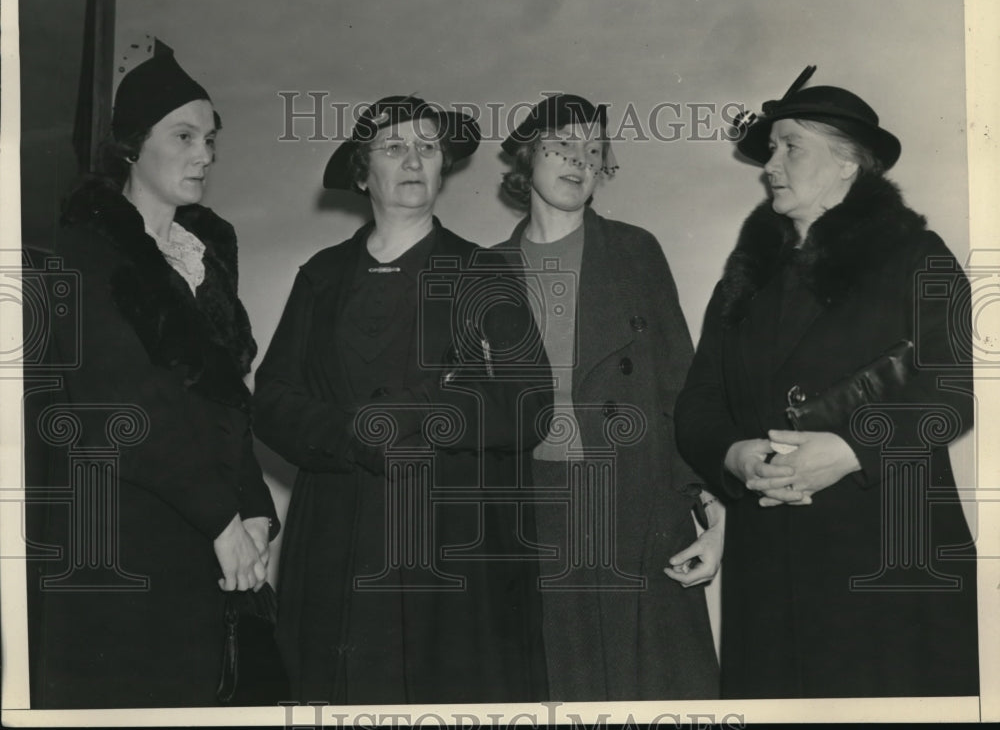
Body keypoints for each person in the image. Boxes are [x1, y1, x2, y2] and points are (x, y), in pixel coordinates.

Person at [675, 67, 979, 698]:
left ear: (849, 166)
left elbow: (951, 396)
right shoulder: (747, 277)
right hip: (769, 564)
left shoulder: (917, 256)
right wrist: (734, 454)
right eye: (771, 149)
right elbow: (699, 404)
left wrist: (844, 452)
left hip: (888, 558)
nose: (771, 164)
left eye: (792, 146)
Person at [253, 95, 552, 704]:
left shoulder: (482, 272)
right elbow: (274, 400)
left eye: (427, 147)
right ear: (363, 173)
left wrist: (414, 415)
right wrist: (354, 435)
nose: (414, 159)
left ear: (443, 167)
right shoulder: (321, 276)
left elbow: (531, 402)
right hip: (338, 527)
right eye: (394, 148)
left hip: (449, 534)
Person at [26, 44, 279, 708]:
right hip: (124, 547)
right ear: (134, 145)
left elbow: (227, 405)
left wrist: (255, 512)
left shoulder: (203, 260)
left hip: (206, 542)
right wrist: (224, 523)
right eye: (185, 135)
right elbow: (125, 407)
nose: (205, 154)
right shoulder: (86, 252)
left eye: (211, 139)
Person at [495, 93, 722, 701]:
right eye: (563, 144)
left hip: (634, 501)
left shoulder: (635, 251)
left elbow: (683, 382)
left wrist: (707, 496)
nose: (581, 159)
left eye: (594, 150)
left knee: (650, 689)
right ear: (525, 158)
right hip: (530, 511)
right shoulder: (483, 270)